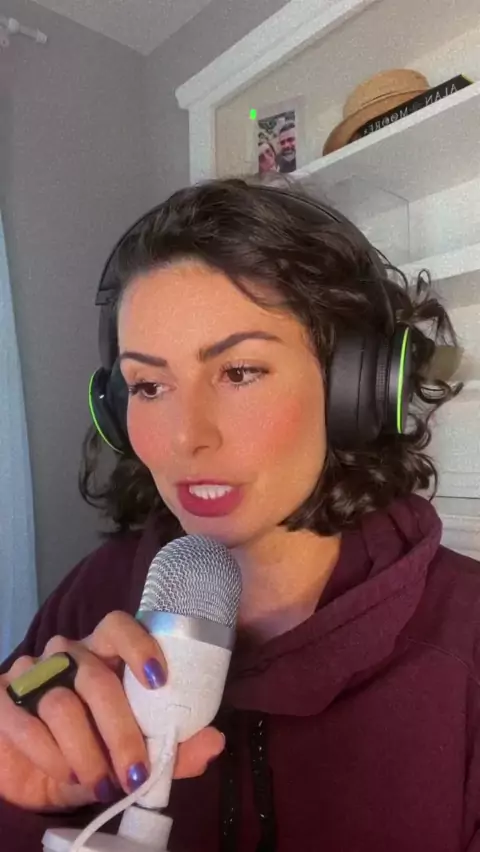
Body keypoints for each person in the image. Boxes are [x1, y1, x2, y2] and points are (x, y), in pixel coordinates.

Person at [0, 177, 478, 852]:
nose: (185, 438)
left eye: (240, 372)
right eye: (149, 385)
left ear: (357, 390)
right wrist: (16, 805)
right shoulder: (91, 596)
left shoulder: (466, 638)